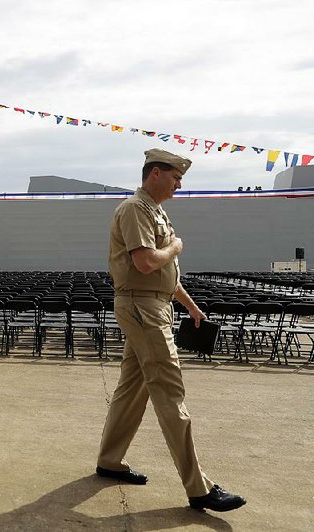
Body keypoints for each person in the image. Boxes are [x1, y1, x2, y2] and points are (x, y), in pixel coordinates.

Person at [95, 148, 246, 512]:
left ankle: (109, 461)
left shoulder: (155, 211)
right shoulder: (135, 209)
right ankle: (199, 488)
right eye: (176, 177)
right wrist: (175, 247)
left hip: (151, 304)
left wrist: (191, 306)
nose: (179, 184)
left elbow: (165, 274)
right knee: (169, 390)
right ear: (155, 174)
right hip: (143, 307)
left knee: (132, 389)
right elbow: (146, 262)